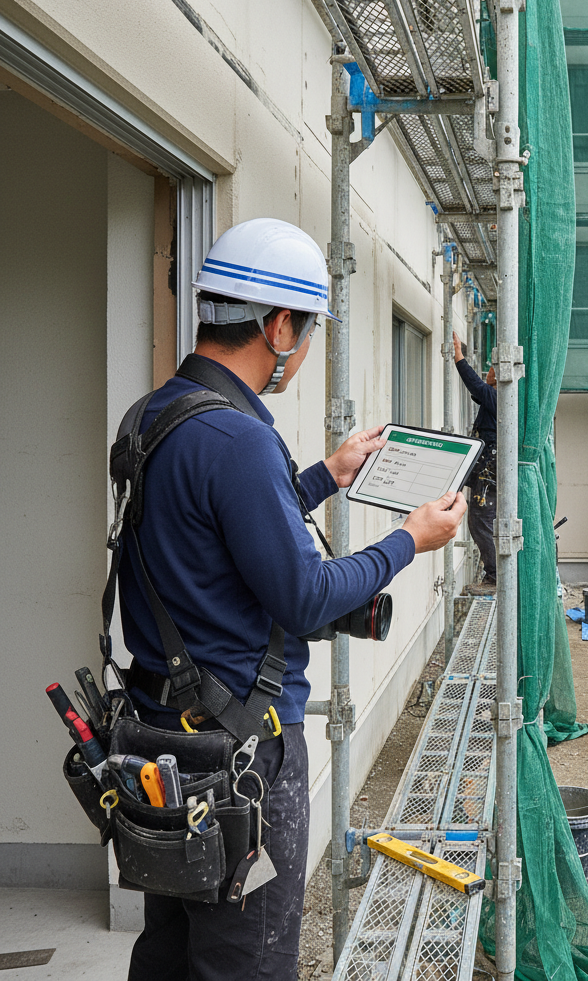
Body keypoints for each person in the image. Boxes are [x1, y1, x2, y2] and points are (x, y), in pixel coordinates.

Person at [118, 218, 467, 981]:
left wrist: (322, 475)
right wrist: (410, 538)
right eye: (305, 332)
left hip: (158, 745)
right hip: (241, 758)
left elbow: (209, 538)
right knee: (246, 958)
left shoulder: (157, 416)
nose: (303, 352)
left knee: (171, 950)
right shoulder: (240, 440)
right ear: (279, 326)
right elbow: (304, 597)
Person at [452, 331, 497, 588]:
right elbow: (479, 389)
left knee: (480, 522)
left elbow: (474, 384)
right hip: (488, 469)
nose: (488, 371)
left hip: (489, 470)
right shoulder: (496, 397)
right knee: (482, 521)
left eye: (492, 368)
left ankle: (493, 575)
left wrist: (459, 356)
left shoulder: (498, 395)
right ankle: (492, 572)